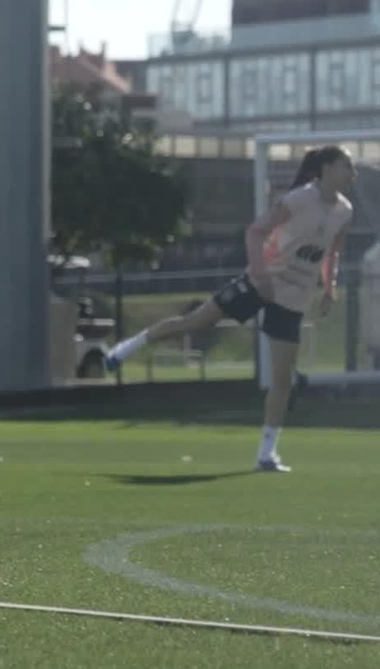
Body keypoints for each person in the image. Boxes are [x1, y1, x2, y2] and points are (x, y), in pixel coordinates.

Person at [104, 146, 356, 473]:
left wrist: (329, 287)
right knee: (196, 323)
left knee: (282, 379)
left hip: (294, 297)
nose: (353, 173)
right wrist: (262, 275)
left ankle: (266, 455)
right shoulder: (297, 200)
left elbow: (332, 252)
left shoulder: (345, 211)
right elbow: (255, 232)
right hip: (260, 282)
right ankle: (130, 346)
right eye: (346, 166)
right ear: (325, 168)